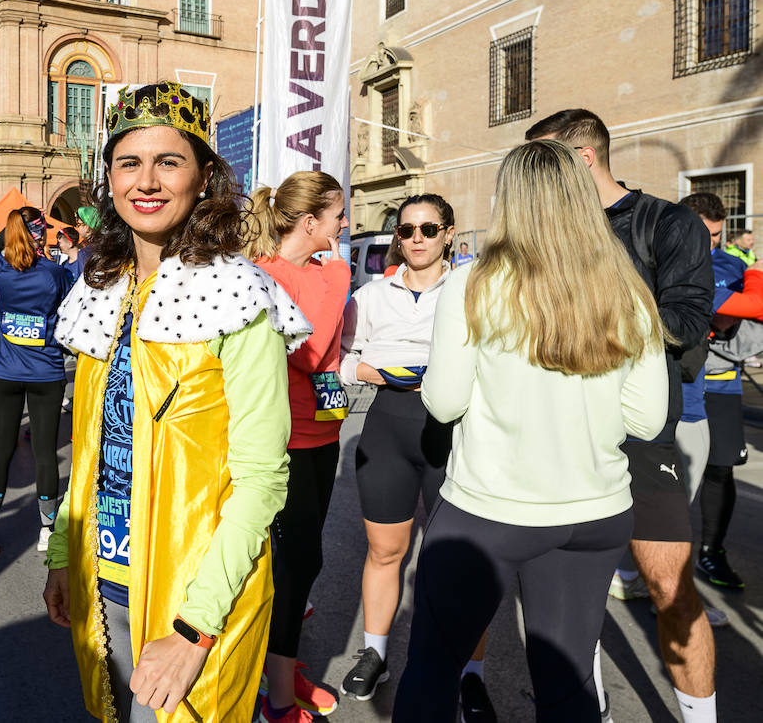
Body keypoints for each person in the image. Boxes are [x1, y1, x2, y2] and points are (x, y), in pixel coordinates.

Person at [42, 82, 311, 723]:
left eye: (170, 161)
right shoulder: (101, 288)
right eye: (129, 162)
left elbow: (262, 481)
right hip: (102, 577)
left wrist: (194, 629)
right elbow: (87, 449)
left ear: (204, 177)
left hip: (196, 597)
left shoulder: (238, 294)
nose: (148, 180)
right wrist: (61, 553)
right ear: (108, 179)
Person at [394, 139, 668, 722]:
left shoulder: (473, 285)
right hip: (595, 512)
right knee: (568, 687)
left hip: (491, 509)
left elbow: (443, 404)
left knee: (432, 671)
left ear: (509, 202)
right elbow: (646, 419)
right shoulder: (629, 291)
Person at [525, 110, 716, 722]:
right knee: (566, 601)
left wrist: (596, 316)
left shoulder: (669, 222)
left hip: (640, 434)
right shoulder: (541, 232)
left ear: (582, 159)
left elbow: (687, 326)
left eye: (547, 164)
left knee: (668, 588)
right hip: (554, 435)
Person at [337, 193, 491, 713]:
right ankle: (374, 653)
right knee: (385, 552)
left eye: (429, 229)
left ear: (449, 232)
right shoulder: (371, 295)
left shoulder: (476, 290)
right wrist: (371, 372)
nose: (417, 239)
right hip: (389, 424)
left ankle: (472, 674)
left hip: (455, 428)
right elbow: (342, 358)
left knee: (460, 561)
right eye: (406, 230)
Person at [244, 172, 351, 721]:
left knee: (303, 563)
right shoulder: (267, 274)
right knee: (292, 563)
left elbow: (338, 347)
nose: (344, 225)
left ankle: (281, 665)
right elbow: (309, 348)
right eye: (337, 217)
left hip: (324, 431)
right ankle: (276, 696)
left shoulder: (314, 272)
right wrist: (339, 271)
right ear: (310, 223)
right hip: (286, 440)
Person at [0, 208, 74, 556]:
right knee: (45, 453)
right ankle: (47, 530)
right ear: (40, 235)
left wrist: (15, 224)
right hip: (48, 372)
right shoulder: (57, 273)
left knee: (1, 450)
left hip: (5, 373)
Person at [677, 193, 763, 591]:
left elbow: (743, 318)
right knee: (670, 478)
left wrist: (750, 286)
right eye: (704, 233)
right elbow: (732, 315)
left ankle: (711, 552)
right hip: (680, 385)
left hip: (724, 387)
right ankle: (650, 561)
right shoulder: (673, 262)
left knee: (721, 471)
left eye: (716, 234)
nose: (710, 241)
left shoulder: (730, 263)